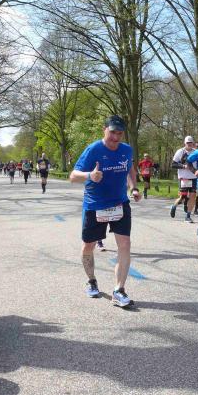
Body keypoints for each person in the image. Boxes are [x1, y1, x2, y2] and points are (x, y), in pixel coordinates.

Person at [69, 115, 142, 308]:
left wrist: (134, 187)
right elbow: (73, 176)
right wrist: (89, 175)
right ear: (104, 130)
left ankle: (119, 290)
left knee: (124, 244)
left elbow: (130, 169)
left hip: (120, 203)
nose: (116, 137)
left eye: (120, 133)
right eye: (112, 132)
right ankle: (91, 280)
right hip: (95, 205)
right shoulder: (93, 149)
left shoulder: (126, 150)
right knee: (88, 246)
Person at [171, 136, 197, 223]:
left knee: (193, 196)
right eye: (187, 143)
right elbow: (173, 164)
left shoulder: (196, 152)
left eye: (191, 143)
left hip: (193, 177)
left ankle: (188, 216)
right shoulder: (180, 151)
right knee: (183, 197)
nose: (189, 144)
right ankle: (174, 206)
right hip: (184, 178)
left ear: (193, 143)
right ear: (185, 143)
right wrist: (183, 166)